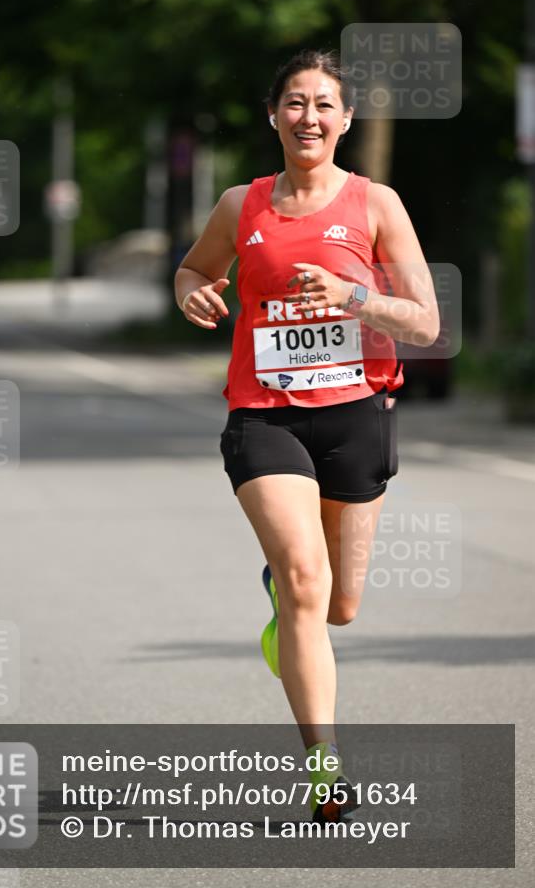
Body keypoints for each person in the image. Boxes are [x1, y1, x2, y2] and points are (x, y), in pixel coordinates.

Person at [174, 49, 439, 824]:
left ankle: (285, 610)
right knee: (302, 577)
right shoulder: (239, 205)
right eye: (294, 103)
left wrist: (354, 295)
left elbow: (425, 321)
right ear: (272, 114)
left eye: (324, 104)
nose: (308, 117)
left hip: (356, 412)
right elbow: (194, 270)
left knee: (339, 606)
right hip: (264, 415)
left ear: (345, 119)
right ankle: (325, 770)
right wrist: (193, 293)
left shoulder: (375, 204)